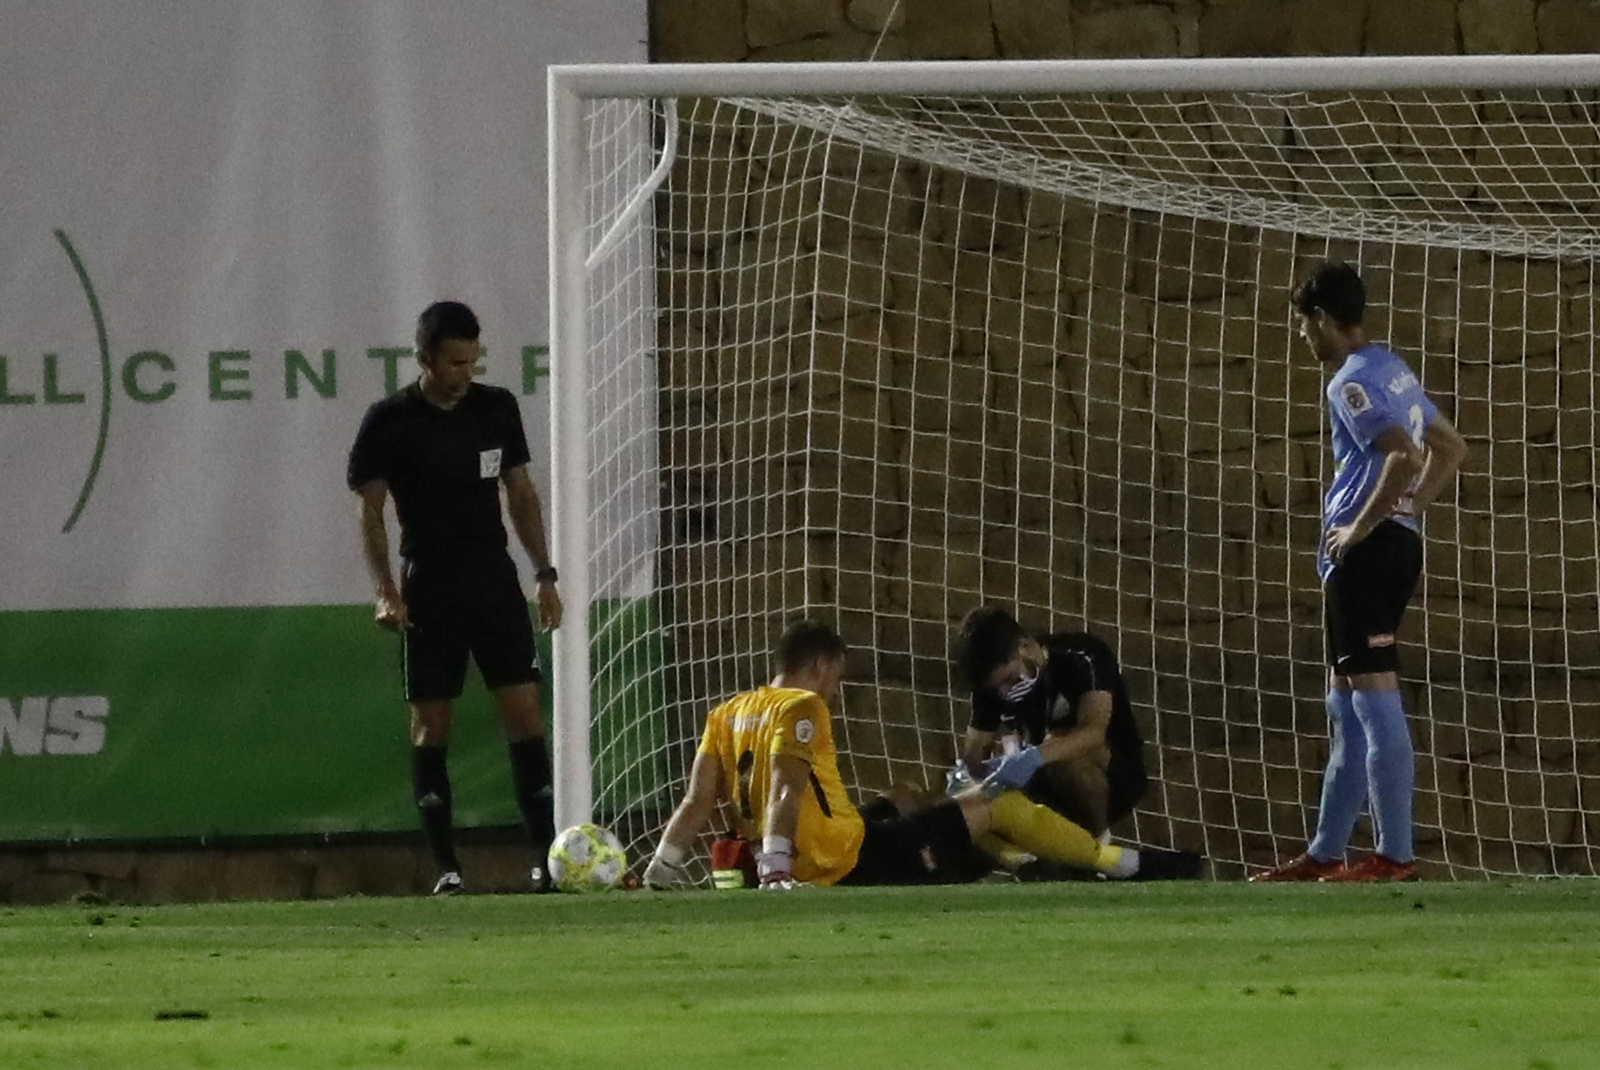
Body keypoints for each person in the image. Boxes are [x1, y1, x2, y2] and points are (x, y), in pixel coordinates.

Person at [643, 620, 1198, 890]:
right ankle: (1129, 866)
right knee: (996, 807)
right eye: (837, 676)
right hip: (842, 862)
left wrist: (662, 868)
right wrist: (775, 869)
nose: (835, 688)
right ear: (820, 666)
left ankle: (1018, 860)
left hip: (834, 843)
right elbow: (787, 789)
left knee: (904, 797)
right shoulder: (803, 706)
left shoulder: (726, 713)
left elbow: (698, 798)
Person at [1251, 262, 1467, 884]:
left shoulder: (1349, 382)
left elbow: (1403, 451)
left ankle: (1394, 855)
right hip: (1394, 548)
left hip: (1365, 556)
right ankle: (1325, 851)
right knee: (1345, 704)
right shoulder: (1392, 368)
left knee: (1374, 702)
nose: (1302, 337)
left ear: (1322, 320)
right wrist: (1416, 507)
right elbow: (1450, 446)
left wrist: (1364, 526)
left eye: (1302, 324)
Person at [347, 300, 564, 895]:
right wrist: (385, 590)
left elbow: (520, 493)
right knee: (431, 724)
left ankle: (544, 862)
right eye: (453, 363)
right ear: (424, 359)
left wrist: (544, 573)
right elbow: (370, 509)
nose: (465, 373)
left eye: (472, 361)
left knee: (524, 713)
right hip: (429, 584)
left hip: (492, 580)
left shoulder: (497, 408)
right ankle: (447, 866)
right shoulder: (389, 420)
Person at [954, 607, 1148, 841]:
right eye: (998, 688)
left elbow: (1094, 732)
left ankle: (1099, 845)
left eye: (1009, 679)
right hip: (1042, 784)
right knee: (973, 788)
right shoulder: (992, 687)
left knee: (1061, 748)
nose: (1004, 691)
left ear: (1024, 646)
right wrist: (965, 778)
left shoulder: (1082, 656)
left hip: (1112, 777)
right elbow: (974, 753)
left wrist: (1032, 757)